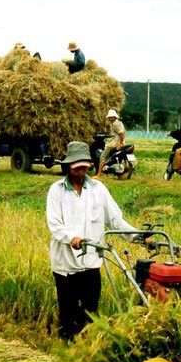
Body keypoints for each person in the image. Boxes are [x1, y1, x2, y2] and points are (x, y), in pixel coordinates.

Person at [46, 141, 146, 339]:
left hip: (92, 261)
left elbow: (115, 219)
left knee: (91, 310)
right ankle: (67, 351)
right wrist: (71, 238)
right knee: (69, 312)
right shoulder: (56, 190)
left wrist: (139, 237)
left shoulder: (98, 189)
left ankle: (88, 348)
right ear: (68, 165)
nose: (81, 169)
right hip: (66, 264)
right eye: (76, 165)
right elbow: (55, 224)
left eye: (84, 164)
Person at [95, 109, 125, 178]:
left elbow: (122, 133)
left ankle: (99, 174)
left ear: (114, 117)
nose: (110, 118)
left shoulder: (115, 124)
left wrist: (120, 144)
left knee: (102, 157)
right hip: (118, 142)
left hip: (114, 143)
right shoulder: (119, 123)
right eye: (109, 117)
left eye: (111, 117)